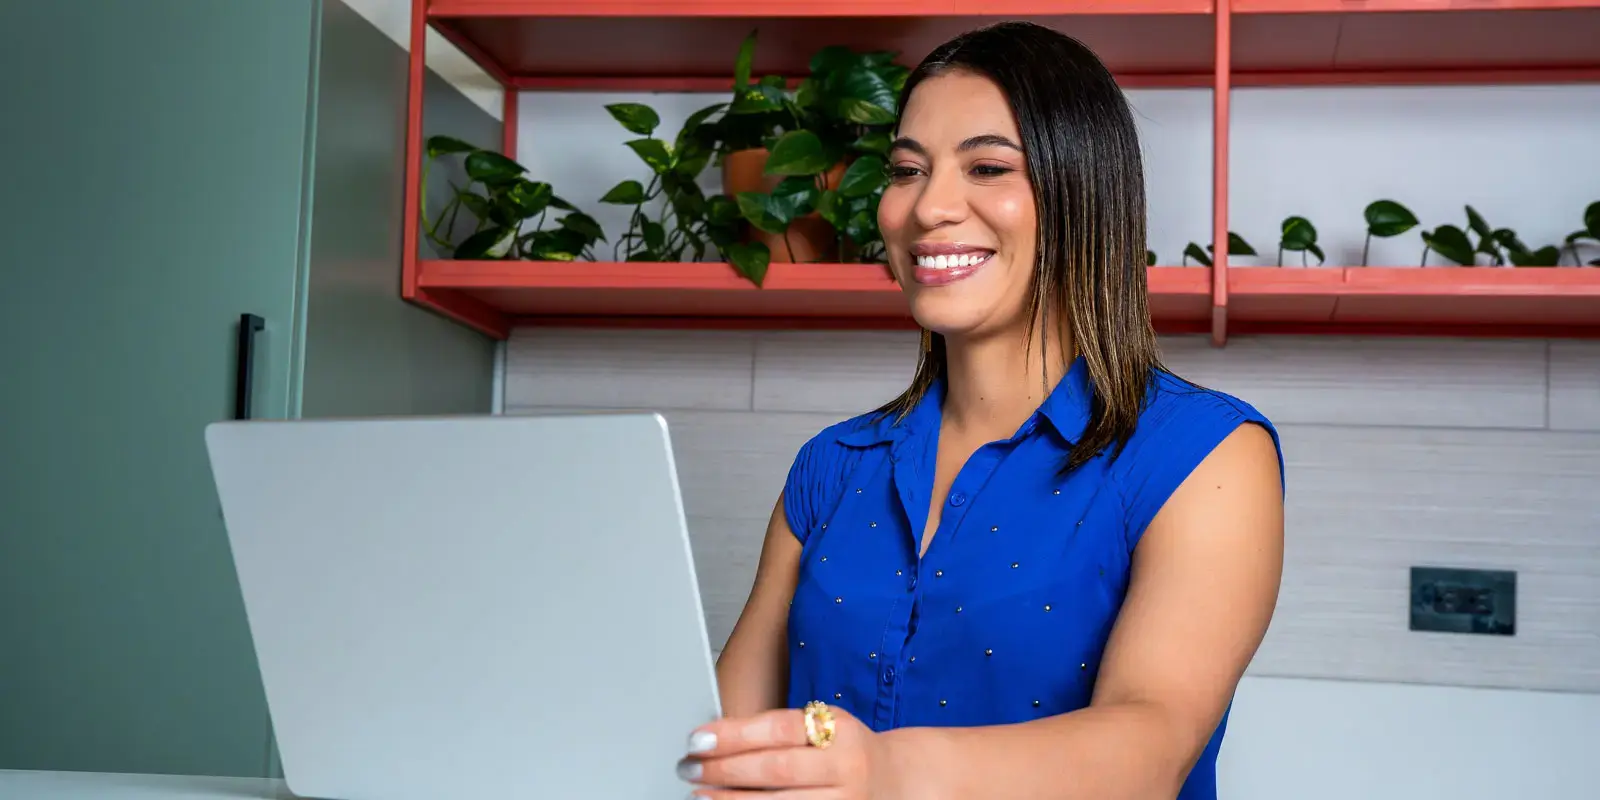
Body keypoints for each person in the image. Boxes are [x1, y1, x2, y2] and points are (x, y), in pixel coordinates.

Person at [679, 21, 1285, 800]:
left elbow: (1150, 743)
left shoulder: (1206, 455)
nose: (929, 206)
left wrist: (885, 773)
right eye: (907, 170)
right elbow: (721, 743)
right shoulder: (831, 467)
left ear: (1083, 191)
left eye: (988, 166)